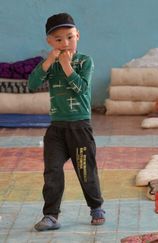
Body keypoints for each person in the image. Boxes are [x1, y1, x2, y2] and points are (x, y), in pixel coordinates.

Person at [28, 13, 105, 231]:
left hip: (79, 127)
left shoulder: (84, 61)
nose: (65, 43)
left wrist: (67, 66)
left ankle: (96, 206)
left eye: (70, 37)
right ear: (49, 42)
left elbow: (81, 87)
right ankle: (51, 215)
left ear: (77, 36)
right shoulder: (49, 65)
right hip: (56, 128)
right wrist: (51, 61)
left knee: (85, 170)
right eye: (58, 39)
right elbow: (32, 84)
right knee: (52, 171)